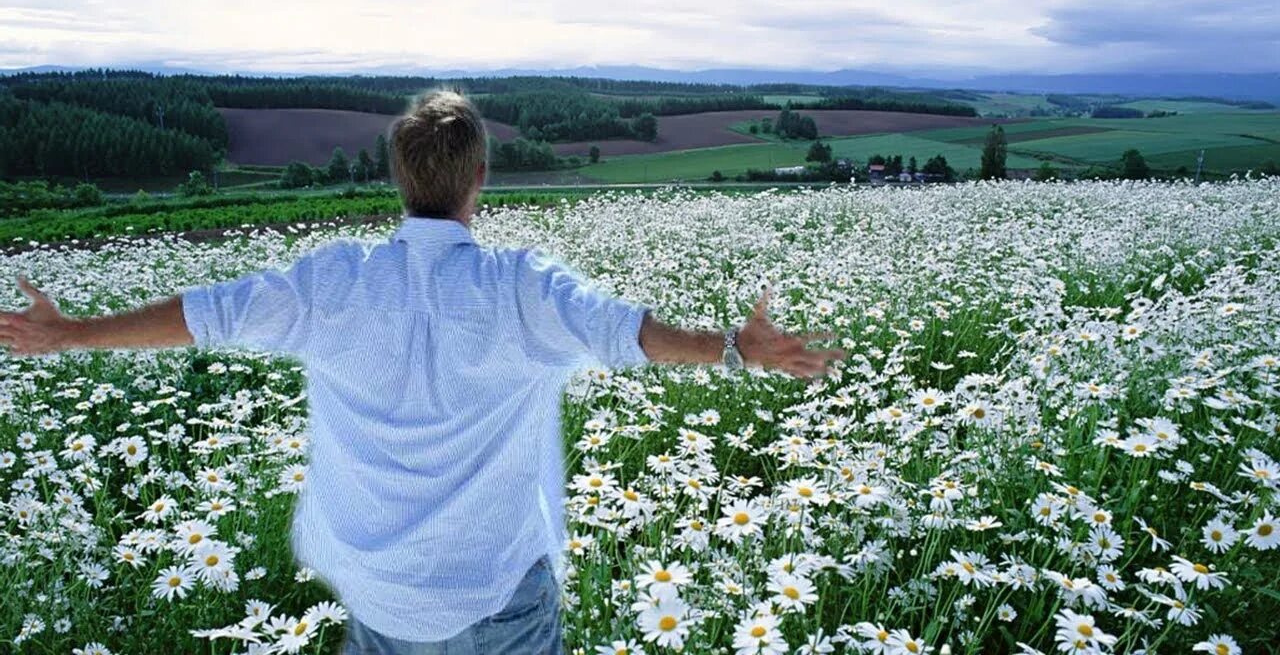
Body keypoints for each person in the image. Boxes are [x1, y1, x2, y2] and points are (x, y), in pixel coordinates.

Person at [0, 90, 845, 655]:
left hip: (378, 595)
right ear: (481, 177)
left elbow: (199, 317)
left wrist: (70, 334)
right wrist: (740, 348)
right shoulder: (526, 286)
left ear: (399, 179)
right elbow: (635, 336)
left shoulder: (331, 281)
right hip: (499, 591)